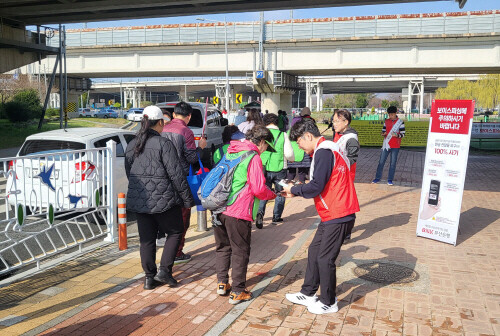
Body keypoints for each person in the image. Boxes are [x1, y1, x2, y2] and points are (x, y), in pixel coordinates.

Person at [282, 118, 359, 314]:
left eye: (299, 142)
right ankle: (308, 293)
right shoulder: (327, 148)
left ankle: (329, 301)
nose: (299, 147)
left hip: (339, 212)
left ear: (308, 136)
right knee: (314, 251)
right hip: (332, 212)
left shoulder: (324, 151)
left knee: (325, 259)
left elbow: (317, 186)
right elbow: (320, 184)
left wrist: (295, 189)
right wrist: (295, 191)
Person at [125, 106, 195, 290]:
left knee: (146, 240)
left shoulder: (133, 144)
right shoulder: (163, 144)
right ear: (161, 123)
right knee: (175, 232)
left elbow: (129, 172)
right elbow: (176, 174)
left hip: (141, 200)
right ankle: (164, 271)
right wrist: (187, 199)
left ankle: (149, 277)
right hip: (164, 199)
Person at [214, 125, 277, 304]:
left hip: (219, 207)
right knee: (240, 250)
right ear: (262, 142)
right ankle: (237, 291)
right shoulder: (253, 156)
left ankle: (222, 283)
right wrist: (272, 194)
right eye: (266, 147)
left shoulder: (231, 150)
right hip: (238, 210)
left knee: (223, 247)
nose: (265, 151)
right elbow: (258, 188)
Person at [159, 102, 207, 264]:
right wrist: (200, 147)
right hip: (181, 179)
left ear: (173, 115)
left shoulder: (162, 129)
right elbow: (192, 158)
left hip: (163, 178)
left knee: (167, 213)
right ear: (189, 116)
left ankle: (168, 247)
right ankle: (177, 251)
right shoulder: (185, 131)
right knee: (182, 216)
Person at [257, 113, 294, 228]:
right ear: (277, 123)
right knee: (280, 193)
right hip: (280, 168)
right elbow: (289, 154)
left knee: (263, 192)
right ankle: (276, 217)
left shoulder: (261, 135)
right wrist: (291, 160)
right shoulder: (283, 135)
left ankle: (260, 214)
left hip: (263, 168)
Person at [332, 109, 360, 240]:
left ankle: (346, 232)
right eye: (333, 121)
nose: (334, 124)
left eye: (337, 121)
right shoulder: (340, 135)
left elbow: (351, 159)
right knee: (343, 203)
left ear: (346, 122)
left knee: (347, 205)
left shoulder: (351, 138)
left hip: (346, 177)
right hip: (338, 176)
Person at [372, 106, 405, 186]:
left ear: (395, 113)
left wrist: (396, 135)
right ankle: (377, 178)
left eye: (392, 115)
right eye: (389, 115)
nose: (390, 116)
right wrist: (383, 134)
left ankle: (390, 179)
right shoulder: (386, 121)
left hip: (395, 146)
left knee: (393, 163)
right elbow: (383, 131)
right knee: (381, 162)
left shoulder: (400, 122)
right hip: (386, 144)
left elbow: (403, 134)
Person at [287, 107, 314, 183]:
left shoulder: (289, 132)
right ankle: (300, 188)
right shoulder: (304, 130)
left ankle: (288, 188)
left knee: (291, 173)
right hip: (303, 156)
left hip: (292, 156)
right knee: (302, 174)